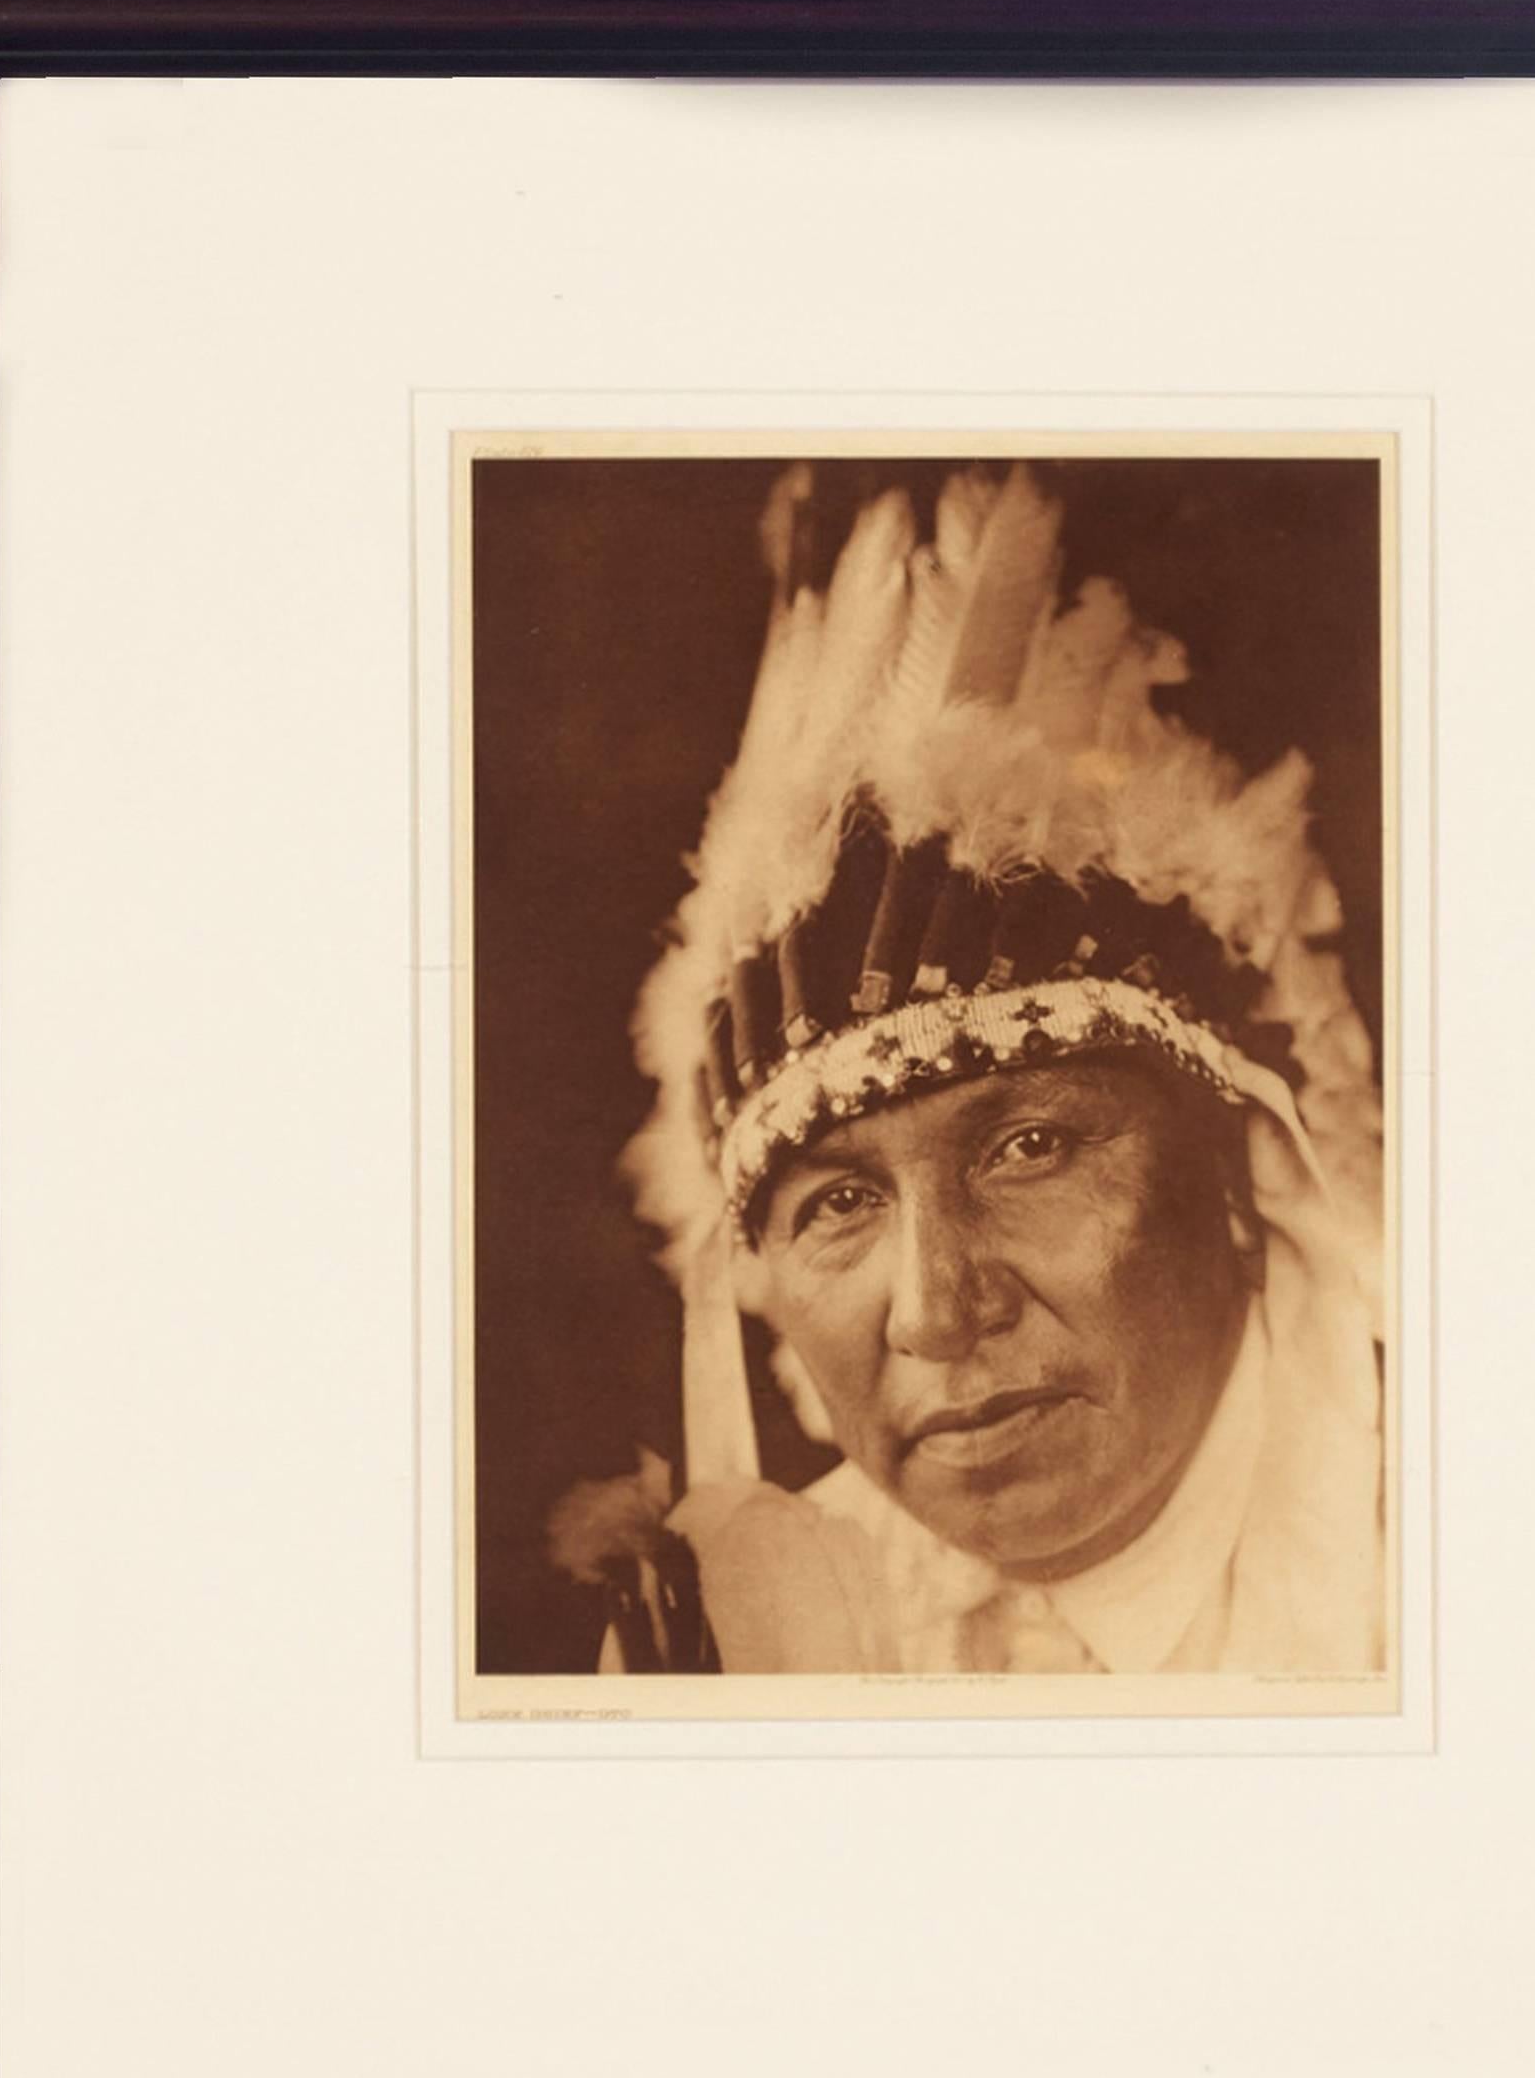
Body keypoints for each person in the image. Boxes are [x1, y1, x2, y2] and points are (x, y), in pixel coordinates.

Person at [550, 462, 1385, 1676]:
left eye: (1030, 1146)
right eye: (837, 1203)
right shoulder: (742, 1646)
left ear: (1239, 1178)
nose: (940, 1314)